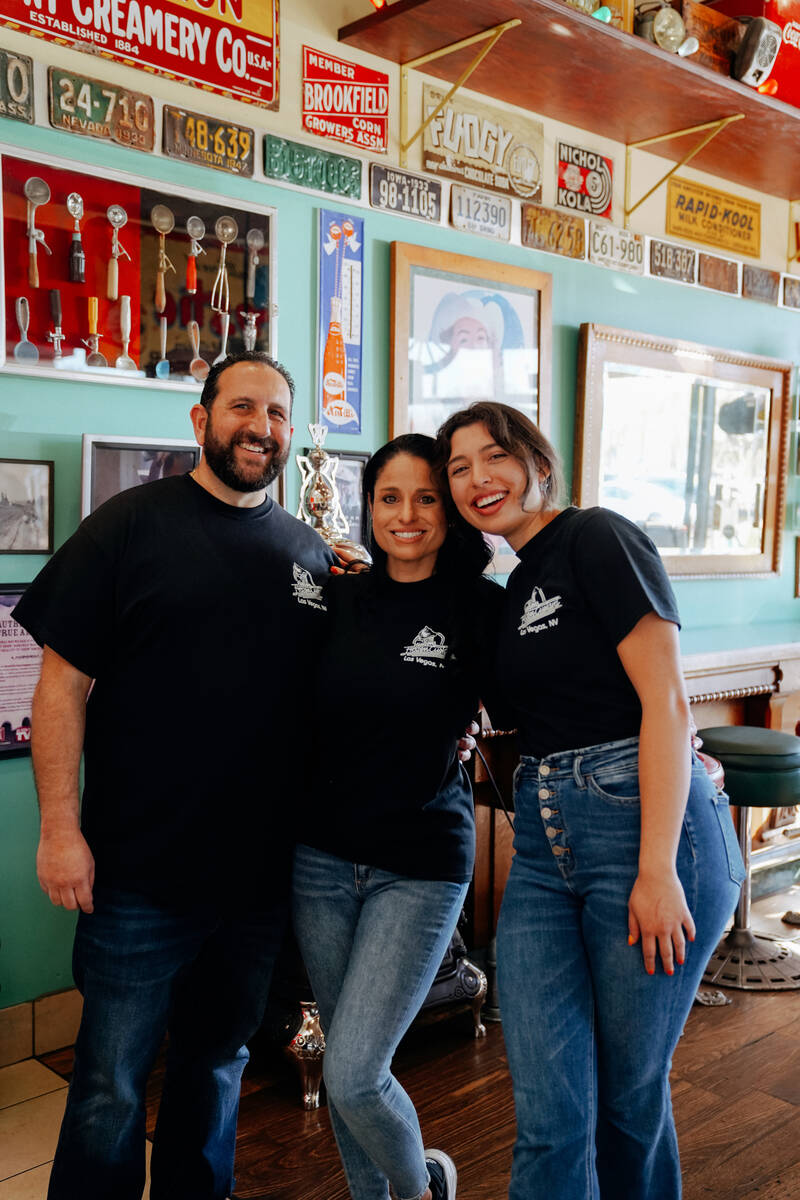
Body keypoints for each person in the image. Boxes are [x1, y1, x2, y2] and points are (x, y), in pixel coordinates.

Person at [12, 351, 338, 1200]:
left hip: (257, 884)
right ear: (200, 421)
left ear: (290, 434)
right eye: (241, 407)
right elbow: (60, 688)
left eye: (275, 414)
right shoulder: (128, 526)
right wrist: (59, 827)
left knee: (216, 1069)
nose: (258, 426)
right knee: (110, 1088)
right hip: (138, 877)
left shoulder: (309, 554)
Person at [435, 401, 745, 1200]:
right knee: (549, 1110)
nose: (477, 479)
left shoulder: (598, 537)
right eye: (458, 469)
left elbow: (667, 704)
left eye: (491, 456)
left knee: (628, 1098)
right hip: (542, 847)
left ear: (537, 459)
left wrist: (656, 869)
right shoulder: (512, 586)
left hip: (645, 836)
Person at [291, 434, 504, 1200]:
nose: (406, 514)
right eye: (389, 497)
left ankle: (421, 1191)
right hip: (319, 860)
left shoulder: (480, 609)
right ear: (368, 506)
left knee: (353, 1071)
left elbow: (535, 699)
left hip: (418, 863)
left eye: (425, 498)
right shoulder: (336, 594)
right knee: (352, 1072)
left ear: (448, 512)